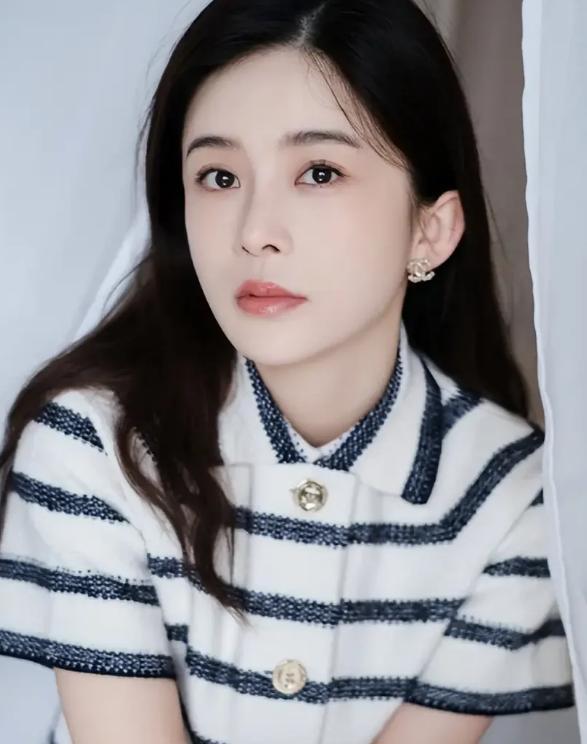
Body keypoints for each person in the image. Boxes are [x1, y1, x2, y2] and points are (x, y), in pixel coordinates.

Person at [0, 0, 575, 742]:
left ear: (429, 230)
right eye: (217, 176)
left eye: (319, 171)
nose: (254, 233)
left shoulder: (515, 497)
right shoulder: (92, 446)